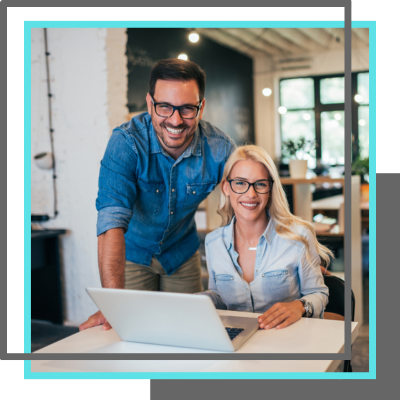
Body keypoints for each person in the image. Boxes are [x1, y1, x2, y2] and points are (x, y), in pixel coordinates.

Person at [79, 59, 236, 331]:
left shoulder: (219, 148)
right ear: (150, 104)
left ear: (201, 107)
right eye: (164, 107)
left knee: (188, 332)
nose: (175, 120)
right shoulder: (126, 143)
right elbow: (111, 222)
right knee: (130, 332)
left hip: (182, 253)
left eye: (187, 108)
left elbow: (252, 202)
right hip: (132, 254)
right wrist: (112, 303)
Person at [198, 145, 332, 330]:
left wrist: (300, 306)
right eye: (240, 183)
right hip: (237, 339)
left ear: (270, 189)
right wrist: (196, 300)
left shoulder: (298, 237)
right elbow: (219, 296)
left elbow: (318, 293)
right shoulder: (213, 242)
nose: (251, 194)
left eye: (260, 184)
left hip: (286, 338)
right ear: (226, 188)